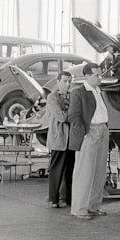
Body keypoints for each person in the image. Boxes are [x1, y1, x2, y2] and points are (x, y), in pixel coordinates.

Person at [68, 63, 109, 220]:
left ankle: (93, 206)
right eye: (96, 75)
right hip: (89, 132)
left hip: (102, 130)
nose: (100, 78)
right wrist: (83, 134)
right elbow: (73, 116)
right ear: (86, 76)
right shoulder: (78, 93)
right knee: (84, 173)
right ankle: (79, 209)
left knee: (99, 172)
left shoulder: (98, 91)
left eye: (100, 75)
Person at [46, 71, 75, 209]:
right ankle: (53, 198)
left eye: (70, 81)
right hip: (59, 138)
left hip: (71, 139)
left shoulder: (72, 96)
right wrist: (73, 114)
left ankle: (68, 198)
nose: (68, 84)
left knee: (70, 170)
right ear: (57, 81)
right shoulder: (52, 97)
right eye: (65, 81)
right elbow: (61, 117)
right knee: (57, 169)